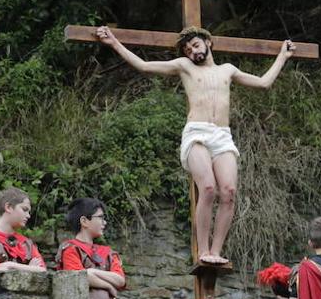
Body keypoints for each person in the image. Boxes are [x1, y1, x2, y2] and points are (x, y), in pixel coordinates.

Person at [95, 25, 296, 267]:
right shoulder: (184, 66)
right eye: (188, 49)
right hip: (197, 133)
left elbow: (263, 83)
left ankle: (216, 250)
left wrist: (282, 56)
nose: (192, 51)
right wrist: (114, 42)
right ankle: (203, 251)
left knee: (229, 192)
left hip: (222, 135)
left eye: (196, 45)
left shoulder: (227, 70)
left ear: (208, 43)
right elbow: (144, 66)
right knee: (208, 188)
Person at [0, 188, 47, 273]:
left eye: (28, 212)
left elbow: (42, 270)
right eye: (24, 209)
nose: (28, 216)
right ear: (8, 207)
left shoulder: (26, 243)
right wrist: (29, 268)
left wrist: (11, 265)